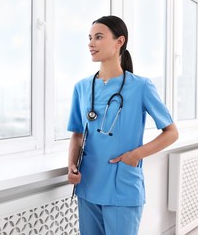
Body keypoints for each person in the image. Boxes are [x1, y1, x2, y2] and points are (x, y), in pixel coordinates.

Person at [67, 15, 179, 235]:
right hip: (88, 184)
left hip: (122, 186)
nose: (91, 43)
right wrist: (71, 165)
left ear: (120, 41)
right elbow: (78, 135)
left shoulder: (141, 86)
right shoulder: (81, 87)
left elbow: (171, 133)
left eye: (98, 37)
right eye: (90, 38)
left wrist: (135, 155)